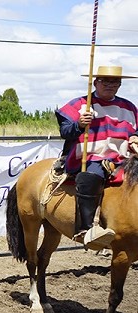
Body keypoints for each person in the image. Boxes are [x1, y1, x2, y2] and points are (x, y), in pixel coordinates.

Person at [55, 65, 137, 250]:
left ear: (120, 85)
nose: (110, 85)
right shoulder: (80, 105)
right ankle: (87, 228)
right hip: (89, 156)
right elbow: (65, 132)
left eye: (115, 81)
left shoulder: (129, 107)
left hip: (123, 157)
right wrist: (78, 124)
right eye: (105, 81)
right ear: (95, 82)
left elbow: (137, 129)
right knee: (91, 176)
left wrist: (135, 136)